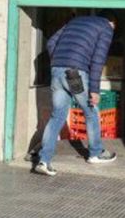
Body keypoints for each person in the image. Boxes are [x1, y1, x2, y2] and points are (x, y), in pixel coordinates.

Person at [34, 11, 118, 176]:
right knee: (91, 111)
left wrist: (60, 62)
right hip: (74, 75)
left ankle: (44, 160)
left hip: (57, 70)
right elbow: (98, 61)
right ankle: (95, 153)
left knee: (57, 115)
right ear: (111, 22)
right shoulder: (106, 28)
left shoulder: (75, 22)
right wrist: (94, 90)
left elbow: (51, 43)